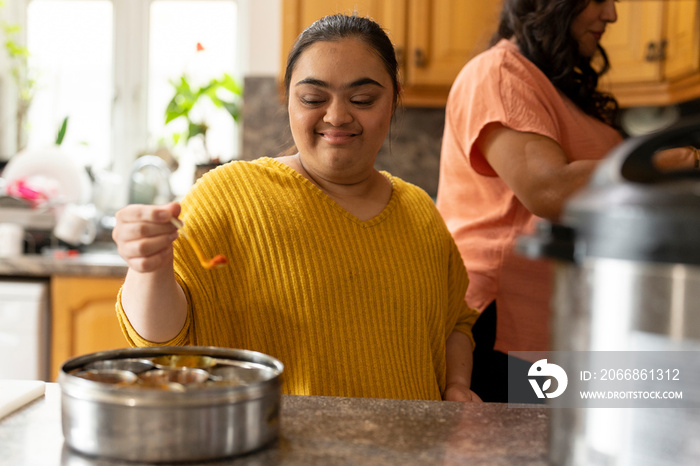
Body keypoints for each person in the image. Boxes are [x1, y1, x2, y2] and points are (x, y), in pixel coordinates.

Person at [112, 13, 481, 402]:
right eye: (313, 99)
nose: (337, 116)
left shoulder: (420, 211)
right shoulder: (229, 195)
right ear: (288, 98)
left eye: (362, 99)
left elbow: (456, 323)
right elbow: (159, 341)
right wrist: (148, 267)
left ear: (393, 100)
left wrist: (457, 386)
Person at [436, 0, 699, 402]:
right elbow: (549, 189)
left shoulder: (554, 86)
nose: (611, 15)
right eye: (597, 0)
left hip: (553, 324)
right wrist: (679, 158)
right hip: (500, 327)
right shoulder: (500, 73)